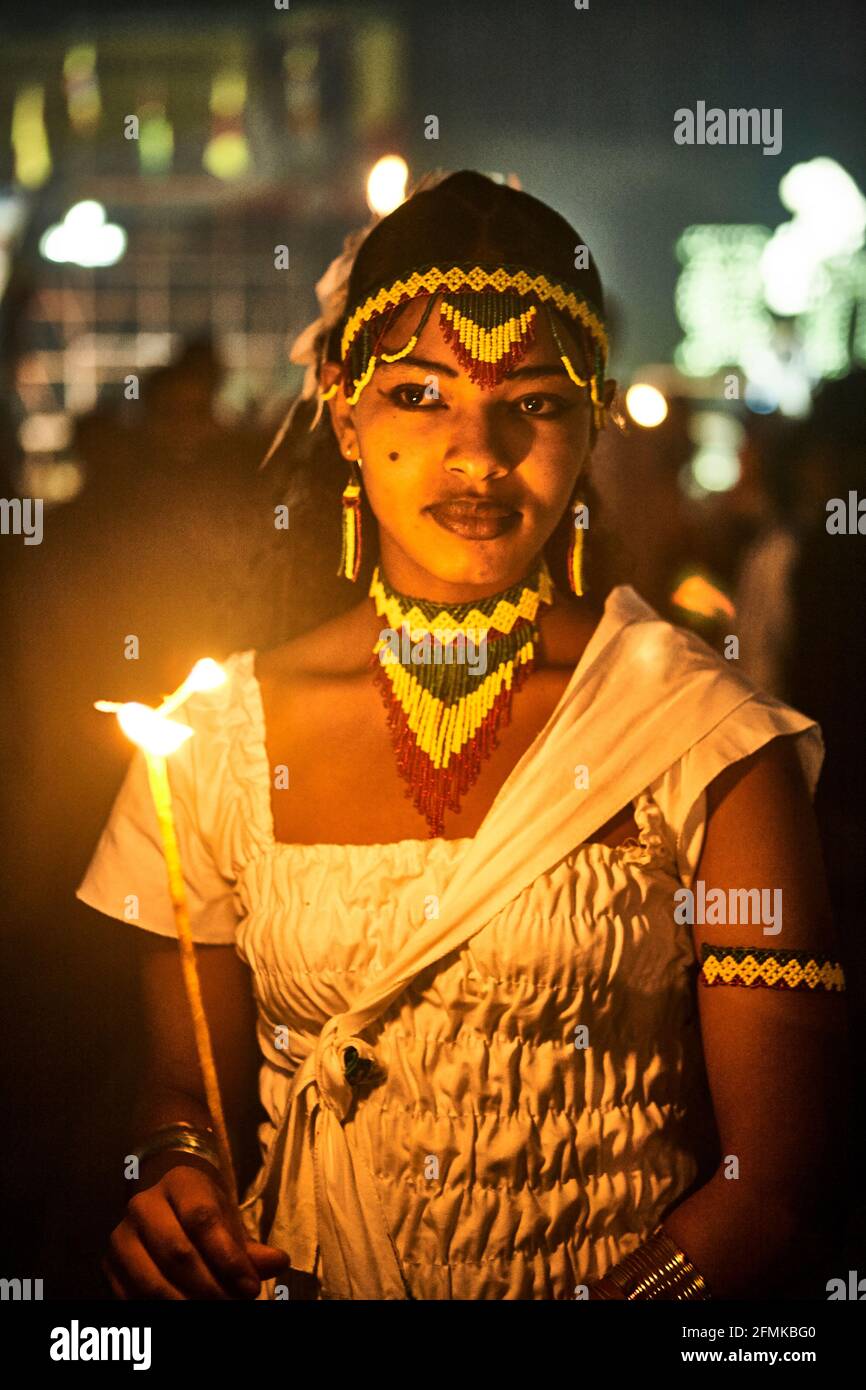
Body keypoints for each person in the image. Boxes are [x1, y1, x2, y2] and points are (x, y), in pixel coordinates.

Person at [76, 170, 850, 1301]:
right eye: (420, 397)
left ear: (589, 423)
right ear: (346, 413)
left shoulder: (702, 734)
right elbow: (176, 1092)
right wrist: (172, 1179)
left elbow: (774, 1187)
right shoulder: (210, 738)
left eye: (532, 403)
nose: (478, 456)